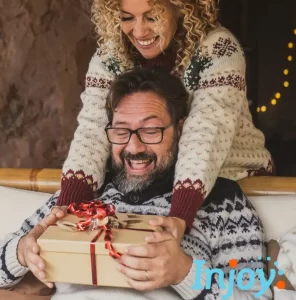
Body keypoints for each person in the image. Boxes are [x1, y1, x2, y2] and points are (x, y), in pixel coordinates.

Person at [0, 68, 272, 300]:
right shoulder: (83, 194)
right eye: (121, 131)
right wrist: (21, 252)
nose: (133, 146)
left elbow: (255, 295)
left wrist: (185, 273)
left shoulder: (221, 201)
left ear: (182, 130)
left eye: (150, 131)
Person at [56, 0, 274, 240]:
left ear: (182, 7)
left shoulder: (218, 48)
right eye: (127, 18)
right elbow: (93, 128)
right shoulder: (109, 55)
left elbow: (206, 132)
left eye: (152, 17)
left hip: (230, 178)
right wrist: (67, 207)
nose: (139, 31)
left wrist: (179, 216)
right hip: (156, 182)